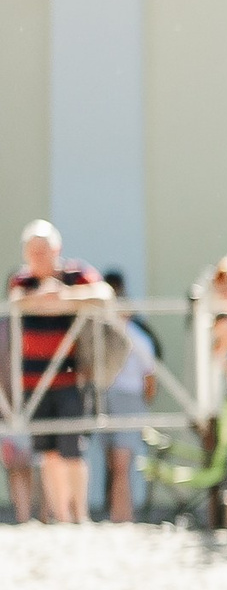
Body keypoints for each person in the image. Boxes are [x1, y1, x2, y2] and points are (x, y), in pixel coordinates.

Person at [8, 220, 112, 523]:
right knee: (48, 452)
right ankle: (61, 515)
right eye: (32, 251)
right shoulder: (22, 281)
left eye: (43, 250)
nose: (38, 257)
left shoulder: (75, 275)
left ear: (57, 249)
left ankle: (80, 514)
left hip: (70, 378)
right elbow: (20, 303)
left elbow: (103, 294)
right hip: (33, 380)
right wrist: (45, 300)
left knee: (73, 449)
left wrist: (63, 299)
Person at [95, 269, 157, 523]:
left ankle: (123, 516)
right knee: (114, 463)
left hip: (129, 399)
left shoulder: (138, 338)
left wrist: (143, 404)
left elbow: (149, 375)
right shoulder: (103, 335)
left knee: (121, 463)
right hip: (108, 397)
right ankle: (118, 514)